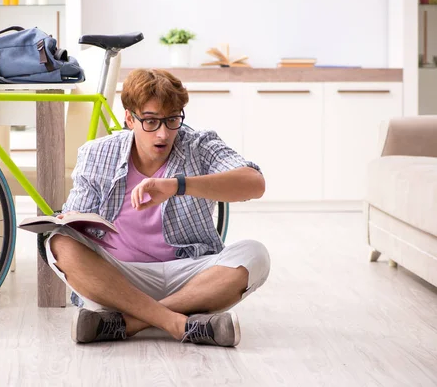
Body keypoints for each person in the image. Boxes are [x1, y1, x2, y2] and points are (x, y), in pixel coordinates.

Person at [44, 68, 270, 347]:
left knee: (255, 254)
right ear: (129, 118)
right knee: (59, 242)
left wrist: (178, 185)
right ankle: (180, 323)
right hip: (120, 278)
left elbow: (254, 183)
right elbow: (77, 221)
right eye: (150, 121)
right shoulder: (97, 152)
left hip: (189, 276)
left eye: (172, 120)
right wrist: (70, 219)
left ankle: (127, 324)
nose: (163, 133)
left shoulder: (199, 145)